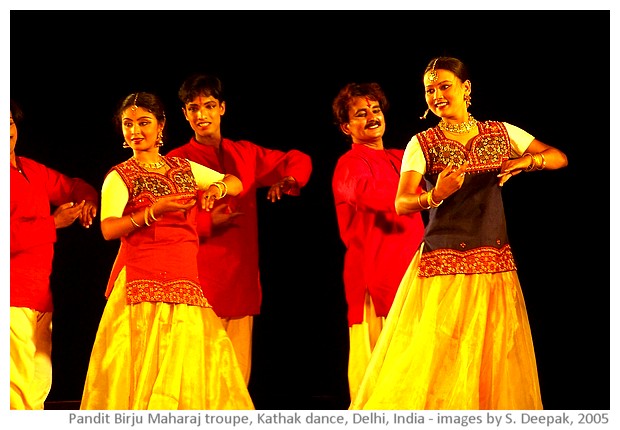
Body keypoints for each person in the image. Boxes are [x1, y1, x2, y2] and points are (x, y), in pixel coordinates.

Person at [350, 56, 568, 410]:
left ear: (466, 89)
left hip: (493, 265)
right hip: (443, 267)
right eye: (429, 90)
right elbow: (402, 203)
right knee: (438, 359)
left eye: (444, 86)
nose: (436, 95)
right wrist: (435, 194)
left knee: (492, 358)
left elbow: (558, 156)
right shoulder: (422, 143)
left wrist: (529, 161)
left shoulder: (500, 133)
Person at [80, 92, 254, 410]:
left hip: (185, 281)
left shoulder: (183, 168)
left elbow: (236, 182)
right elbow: (108, 229)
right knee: (140, 371)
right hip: (140, 285)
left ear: (161, 126)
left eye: (144, 122)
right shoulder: (119, 177)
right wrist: (153, 211)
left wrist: (216, 188)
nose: (135, 130)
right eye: (128, 124)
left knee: (196, 371)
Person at [166, 73, 313, 384]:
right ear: (184, 114)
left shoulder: (245, 154)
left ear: (222, 108)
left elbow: (296, 159)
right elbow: (166, 221)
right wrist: (206, 222)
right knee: (196, 379)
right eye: (193, 108)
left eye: (208, 106)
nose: (201, 115)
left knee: (235, 380)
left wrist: (290, 180)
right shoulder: (176, 162)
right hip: (197, 281)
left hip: (240, 280)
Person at [331, 82, 426, 403]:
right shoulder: (350, 164)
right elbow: (372, 195)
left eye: (375, 110)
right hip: (375, 279)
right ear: (346, 127)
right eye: (361, 113)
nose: (372, 117)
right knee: (375, 373)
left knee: (411, 370)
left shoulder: (402, 158)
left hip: (413, 278)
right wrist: (427, 197)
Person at [10, 99, 99, 410]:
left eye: (9, 122)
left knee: (37, 383)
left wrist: (87, 200)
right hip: (10, 294)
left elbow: (73, 185)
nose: (7, 131)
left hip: (39, 294)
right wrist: (53, 223)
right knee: (13, 386)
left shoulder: (30, 169)